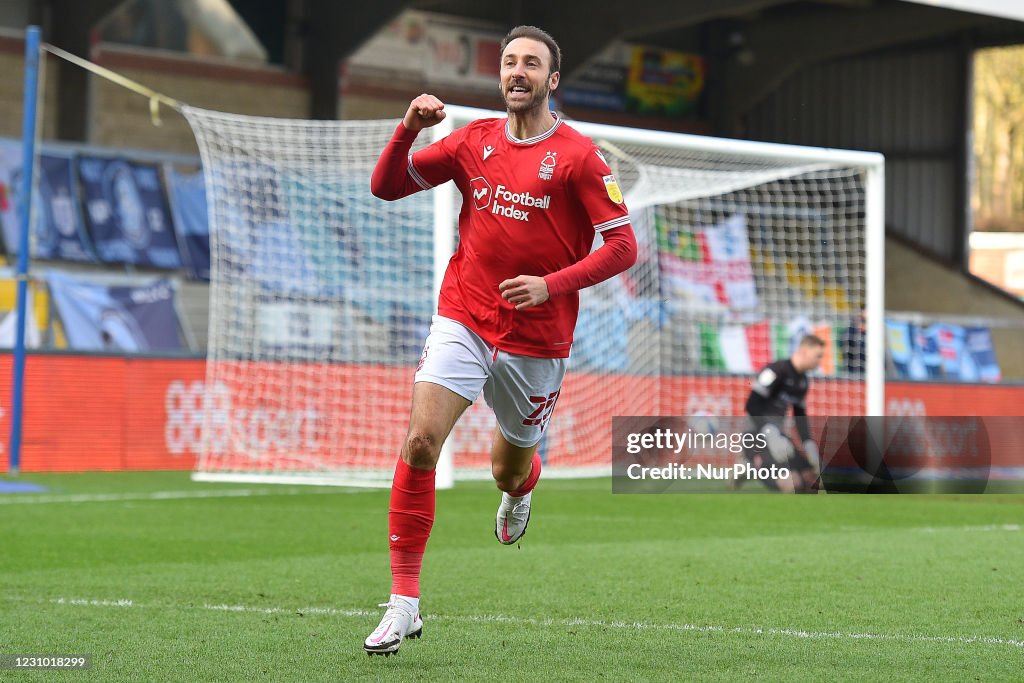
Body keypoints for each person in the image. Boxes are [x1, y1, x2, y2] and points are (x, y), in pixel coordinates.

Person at [364, 25, 637, 656]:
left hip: (537, 339)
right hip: (463, 313)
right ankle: (404, 602)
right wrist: (408, 127)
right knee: (420, 440)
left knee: (506, 468)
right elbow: (386, 185)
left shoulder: (580, 157)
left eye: (531, 64)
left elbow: (623, 248)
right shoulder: (471, 141)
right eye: (509, 62)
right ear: (500, 76)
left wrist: (551, 285)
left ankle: (521, 490)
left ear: (551, 80)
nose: (518, 72)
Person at [731, 334, 825, 493]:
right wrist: (770, 431)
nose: (819, 361)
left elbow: (799, 416)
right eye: (817, 356)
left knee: (813, 482)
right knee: (792, 485)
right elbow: (751, 404)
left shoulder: (802, 381)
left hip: (778, 438)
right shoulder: (775, 371)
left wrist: (809, 445)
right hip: (757, 436)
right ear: (803, 351)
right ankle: (750, 464)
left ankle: (750, 466)